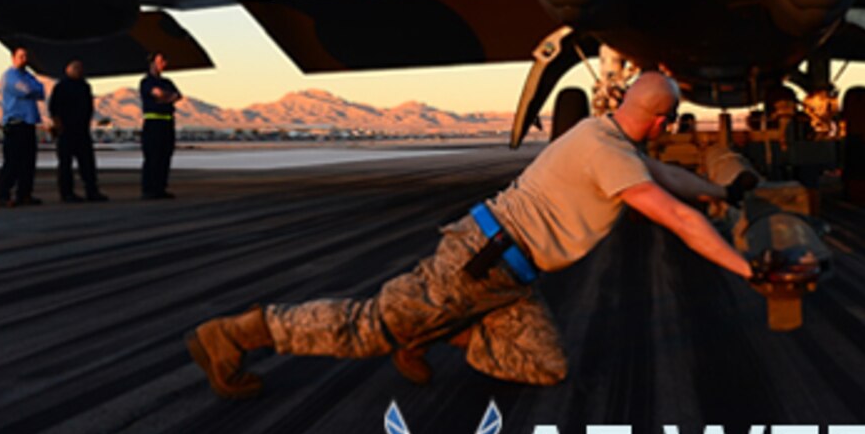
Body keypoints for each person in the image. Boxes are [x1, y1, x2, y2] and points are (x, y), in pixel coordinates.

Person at [186, 73, 758, 397]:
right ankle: (235, 334)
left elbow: (669, 178)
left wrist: (720, 193)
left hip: (508, 279)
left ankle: (435, 331)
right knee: (367, 327)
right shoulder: (608, 155)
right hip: (479, 263)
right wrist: (749, 271)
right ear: (662, 120)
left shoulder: (603, 132)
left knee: (546, 365)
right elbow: (677, 218)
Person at [48, 60, 105, 202]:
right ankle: (67, 193)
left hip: (82, 131)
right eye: (75, 68)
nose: (79, 71)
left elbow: (88, 107)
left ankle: (92, 191)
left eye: (80, 68)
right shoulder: (61, 87)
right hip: (66, 131)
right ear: (68, 69)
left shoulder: (85, 87)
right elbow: (53, 108)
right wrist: (58, 126)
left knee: (87, 163)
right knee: (65, 164)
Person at [0, 48, 46, 208]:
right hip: (15, 124)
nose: (24, 59)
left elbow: (40, 90)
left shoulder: (27, 75)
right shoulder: (10, 76)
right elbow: (27, 90)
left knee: (28, 162)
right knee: (12, 162)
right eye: (20, 56)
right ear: (13, 58)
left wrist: (33, 89)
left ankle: (24, 194)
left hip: (29, 123)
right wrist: (32, 89)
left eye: (26, 56)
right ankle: (3, 195)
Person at [138, 52, 183, 200]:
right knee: (152, 156)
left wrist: (164, 97)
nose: (164, 63)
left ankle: (160, 187)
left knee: (165, 156)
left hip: (167, 123)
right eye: (161, 60)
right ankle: (149, 189)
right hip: (153, 123)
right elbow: (159, 94)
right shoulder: (146, 82)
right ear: (152, 63)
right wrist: (166, 97)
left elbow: (177, 96)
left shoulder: (167, 82)